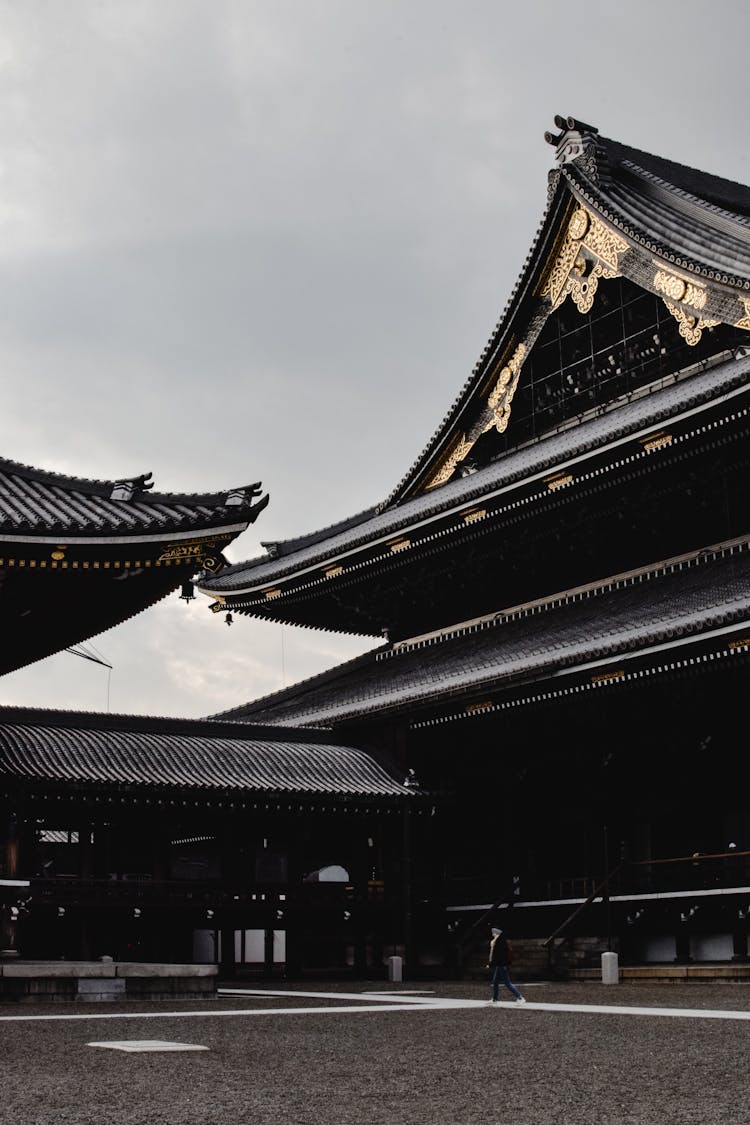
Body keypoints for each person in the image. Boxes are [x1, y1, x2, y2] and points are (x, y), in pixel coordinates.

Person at [487, 927, 526, 1004]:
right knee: (495, 982)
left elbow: (497, 956)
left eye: (493, 933)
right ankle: (494, 999)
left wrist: (491, 964)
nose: (492, 934)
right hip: (500, 965)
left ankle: (520, 997)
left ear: (497, 934)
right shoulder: (501, 941)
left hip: (502, 965)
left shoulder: (499, 942)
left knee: (507, 983)